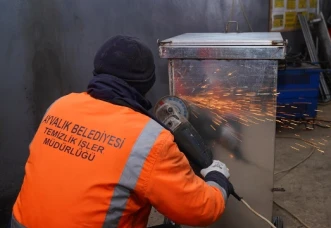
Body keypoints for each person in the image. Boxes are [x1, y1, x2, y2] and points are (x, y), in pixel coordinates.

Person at [11, 35, 232, 228]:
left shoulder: (60, 106)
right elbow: (202, 210)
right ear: (147, 83)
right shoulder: (150, 140)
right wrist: (217, 177)